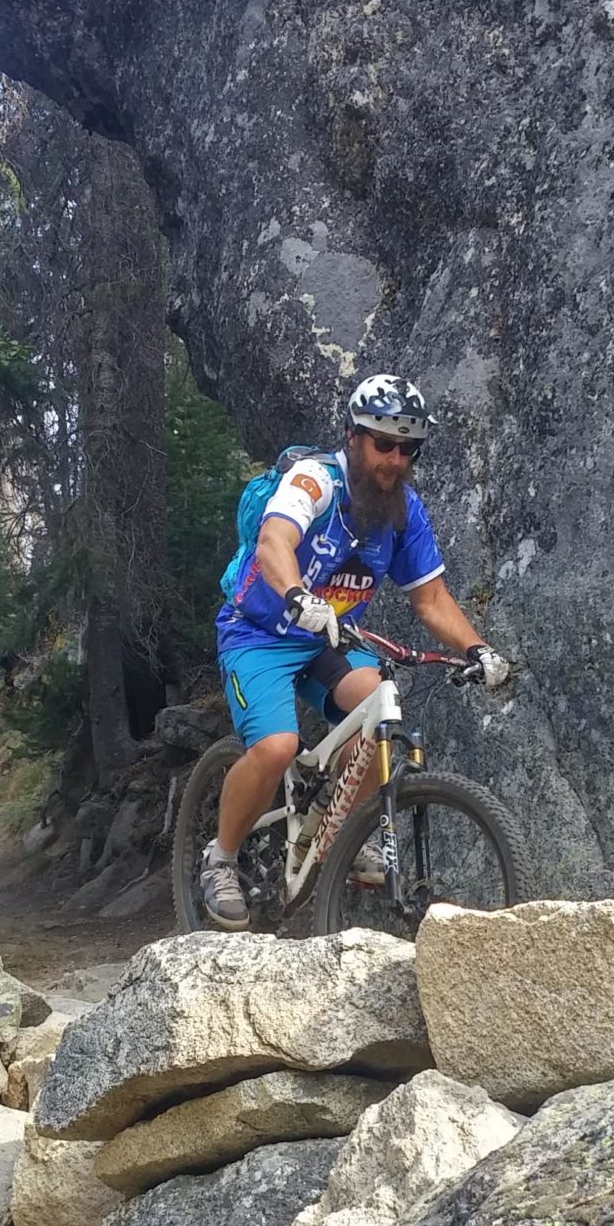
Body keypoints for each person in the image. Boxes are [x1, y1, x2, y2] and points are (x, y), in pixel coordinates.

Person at [201, 375, 513, 929]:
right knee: (276, 746)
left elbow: (432, 598)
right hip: (258, 634)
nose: (396, 459)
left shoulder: (402, 510)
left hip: (327, 639)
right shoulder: (315, 481)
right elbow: (275, 541)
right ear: (353, 437)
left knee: (379, 707)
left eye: (409, 448)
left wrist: (477, 647)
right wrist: (297, 596)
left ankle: (345, 831)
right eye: (384, 443)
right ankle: (220, 859)